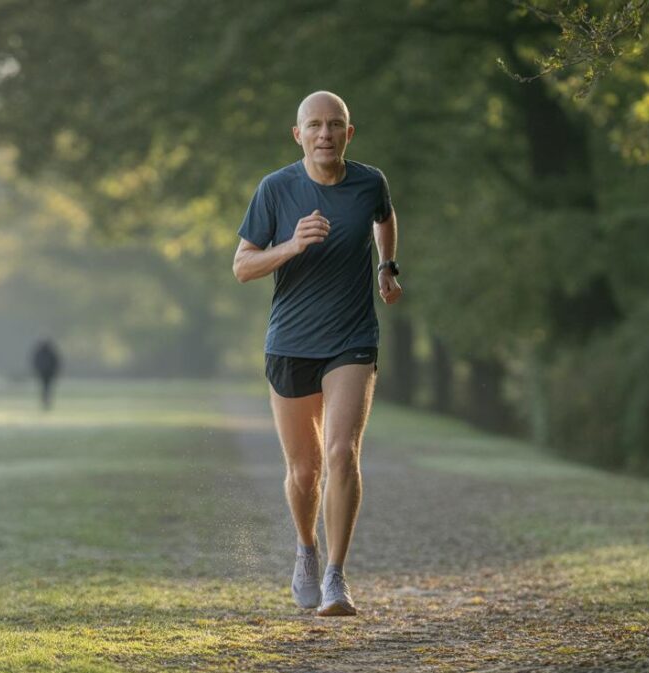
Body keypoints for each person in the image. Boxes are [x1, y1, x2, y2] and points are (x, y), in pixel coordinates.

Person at [232, 91, 402, 617]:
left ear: (348, 133)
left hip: (351, 338)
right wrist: (291, 246)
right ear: (298, 134)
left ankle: (335, 577)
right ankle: (306, 552)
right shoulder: (276, 189)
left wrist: (386, 266)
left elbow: (384, 218)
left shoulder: (369, 181)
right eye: (314, 126)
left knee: (340, 453)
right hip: (290, 343)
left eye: (334, 125)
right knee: (304, 471)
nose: (324, 134)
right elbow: (242, 266)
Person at [30, 338, 62, 411]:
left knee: (45, 388)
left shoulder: (40, 352)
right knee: (46, 388)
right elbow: (56, 362)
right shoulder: (51, 352)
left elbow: (35, 361)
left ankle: (45, 402)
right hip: (47, 374)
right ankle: (46, 402)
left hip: (44, 373)